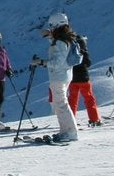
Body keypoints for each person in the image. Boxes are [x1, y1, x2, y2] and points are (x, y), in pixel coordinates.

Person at [33, 12, 81, 143]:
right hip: (64, 75)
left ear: (56, 24)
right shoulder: (66, 39)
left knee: (61, 105)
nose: (51, 28)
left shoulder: (60, 41)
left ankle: (71, 132)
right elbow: (60, 52)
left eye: (51, 26)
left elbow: (57, 62)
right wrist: (50, 36)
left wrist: (42, 62)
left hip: (59, 77)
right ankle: (65, 131)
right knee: (59, 104)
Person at [66, 30, 102, 127]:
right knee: (89, 99)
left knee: (72, 100)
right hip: (84, 79)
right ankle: (94, 119)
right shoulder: (84, 52)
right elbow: (88, 63)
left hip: (73, 80)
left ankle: (71, 120)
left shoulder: (72, 53)